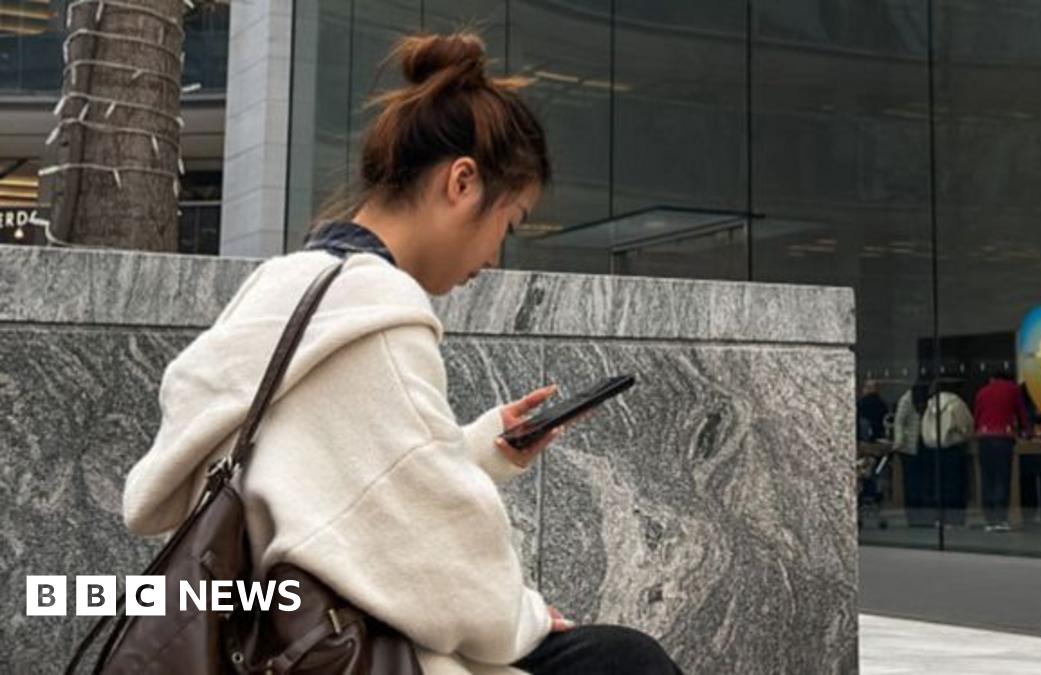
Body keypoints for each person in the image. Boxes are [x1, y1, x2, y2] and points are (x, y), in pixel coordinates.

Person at [122, 32, 682, 675]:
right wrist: (524, 618)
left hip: (253, 630)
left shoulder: (286, 285)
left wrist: (480, 448)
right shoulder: (378, 311)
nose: (496, 256)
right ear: (462, 182)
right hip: (332, 649)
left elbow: (321, 480)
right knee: (624, 662)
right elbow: (440, 560)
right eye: (510, 222)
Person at [973, 367, 1029, 532]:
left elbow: (976, 417)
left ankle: (989, 517)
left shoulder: (982, 392)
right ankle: (1001, 517)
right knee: (1002, 478)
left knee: (987, 477)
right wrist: (1026, 431)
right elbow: (1021, 413)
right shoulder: (1013, 390)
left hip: (984, 438)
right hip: (1003, 437)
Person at [921, 385, 974, 527]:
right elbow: (966, 425)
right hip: (953, 448)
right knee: (955, 485)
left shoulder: (930, 404)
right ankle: (955, 519)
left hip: (934, 448)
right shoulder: (956, 403)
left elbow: (924, 427)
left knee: (938, 484)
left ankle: (939, 518)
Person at [893, 380, 935, 526]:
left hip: (923, 445)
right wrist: (899, 441)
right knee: (913, 484)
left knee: (921, 483)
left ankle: (924, 516)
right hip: (910, 447)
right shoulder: (907, 400)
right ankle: (914, 517)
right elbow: (899, 421)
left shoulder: (928, 400)